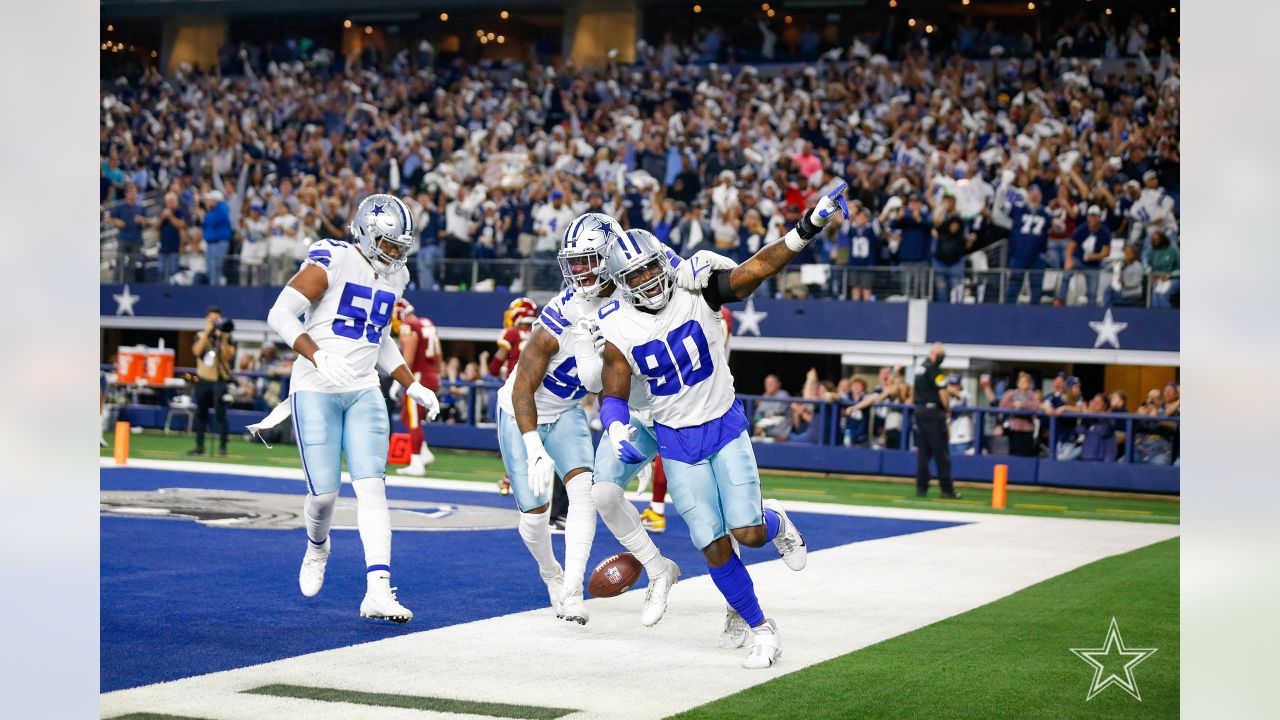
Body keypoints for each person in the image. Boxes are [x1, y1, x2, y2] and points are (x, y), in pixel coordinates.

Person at [596, 183, 847, 668]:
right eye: (637, 274)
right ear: (621, 283)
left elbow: (760, 266)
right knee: (710, 542)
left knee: (748, 533)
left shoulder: (698, 288)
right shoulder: (618, 324)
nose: (649, 279)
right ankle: (761, 627)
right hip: (674, 440)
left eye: (652, 266)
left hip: (723, 426)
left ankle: (774, 521)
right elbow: (614, 386)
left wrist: (808, 226)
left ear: (663, 261)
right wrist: (614, 427)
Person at [261, 192, 439, 623]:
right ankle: (317, 546)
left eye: (401, 246)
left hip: (363, 389)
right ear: (365, 232)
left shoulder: (396, 276)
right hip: (315, 388)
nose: (395, 254)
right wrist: (316, 354)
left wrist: (410, 384)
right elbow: (280, 315)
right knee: (323, 496)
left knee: (372, 488)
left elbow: (378, 337)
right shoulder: (334, 259)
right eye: (389, 244)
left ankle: (377, 589)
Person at [393, 299, 442, 476]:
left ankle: (416, 462)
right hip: (431, 375)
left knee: (413, 420)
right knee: (407, 416)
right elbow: (439, 354)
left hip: (418, 377)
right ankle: (424, 452)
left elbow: (408, 359)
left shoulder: (409, 325)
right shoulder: (426, 322)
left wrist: (396, 381)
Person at [912, 343, 959, 498]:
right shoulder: (935, 371)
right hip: (933, 413)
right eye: (942, 354)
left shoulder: (920, 368)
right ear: (935, 354)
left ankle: (921, 489)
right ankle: (947, 490)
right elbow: (943, 392)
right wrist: (947, 409)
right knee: (941, 453)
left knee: (923, 453)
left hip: (920, 411)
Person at [187, 306, 236, 457]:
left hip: (219, 380)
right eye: (212, 319)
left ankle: (222, 447)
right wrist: (208, 331)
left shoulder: (227, 336)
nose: (214, 321)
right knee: (200, 414)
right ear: (206, 319)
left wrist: (221, 338)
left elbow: (229, 356)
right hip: (203, 379)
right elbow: (196, 351)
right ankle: (200, 446)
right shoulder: (200, 335)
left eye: (217, 319)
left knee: (221, 414)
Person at [1006, 186, 1053, 304]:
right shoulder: (1018, 207)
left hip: (1038, 255)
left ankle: (1034, 315)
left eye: (1037, 194)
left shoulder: (1046, 212)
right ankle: (1008, 313)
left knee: (1036, 289)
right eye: (1032, 193)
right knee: (1013, 287)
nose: (1035, 196)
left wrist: (1056, 224)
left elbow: (1059, 228)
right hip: (1019, 254)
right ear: (1028, 194)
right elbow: (1001, 210)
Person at [1061, 205, 1111, 306]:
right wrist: (1069, 260)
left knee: (1092, 291)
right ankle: (1060, 300)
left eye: (1095, 216)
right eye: (1091, 216)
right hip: (1079, 259)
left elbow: (1106, 252)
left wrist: (1095, 256)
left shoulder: (1105, 232)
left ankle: (1091, 311)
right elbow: (1071, 247)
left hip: (1093, 264)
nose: (1092, 219)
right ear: (1087, 217)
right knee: (1066, 275)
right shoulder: (1081, 229)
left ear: (1099, 218)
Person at [1000, 372, 1042, 456]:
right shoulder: (1012, 393)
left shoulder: (1032, 394)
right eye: (1020, 382)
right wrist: (1013, 405)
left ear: (1029, 384)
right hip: (1014, 427)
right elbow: (1002, 405)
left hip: (1028, 428)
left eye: (1025, 382)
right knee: (1014, 452)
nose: (1022, 384)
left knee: (1025, 453)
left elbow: (1036, 405)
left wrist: (1021, 405)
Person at [201, 190, 233, 286]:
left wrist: (205, 214)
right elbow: (205, 225)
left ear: (215, 200)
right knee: (210, 268)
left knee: (216, 267)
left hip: (219, 242)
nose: (207, 202)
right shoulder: (212, 210)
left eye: (209, 199)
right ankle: (212, 287)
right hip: (210, 243)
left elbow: (213, 221)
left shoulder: (222, 208)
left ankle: (216, 288)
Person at [751, 374, 792, 441]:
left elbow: (775, 414)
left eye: (772, 383)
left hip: (780, 435)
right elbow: (758, 415)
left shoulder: (783, 394)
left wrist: (761, 425)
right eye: (767, 383)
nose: (769, 385)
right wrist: (757, 424)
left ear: (778, 384)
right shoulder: (764, 398)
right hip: (765, 435)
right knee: (753, 441)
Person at [945, 375, 974, 457]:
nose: (953, 387)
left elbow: (960, 398)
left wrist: (948, 390)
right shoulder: (949, 398)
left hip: (963, 437)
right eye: (951, 384)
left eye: (955, 385)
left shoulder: (966, 394)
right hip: (951, 437)